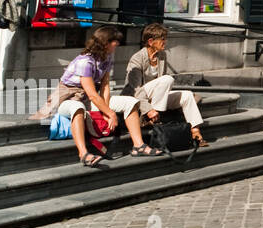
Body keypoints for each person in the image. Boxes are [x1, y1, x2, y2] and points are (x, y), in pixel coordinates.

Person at [54, 25, 155, 166]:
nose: (118, 44)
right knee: (77, 108)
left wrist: (106, 110)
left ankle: (138, 146)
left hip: (87, 98)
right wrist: (111, 114)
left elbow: (105, 86)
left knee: (130, 102)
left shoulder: (106, 58)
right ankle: (83, 154)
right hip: (68, 98)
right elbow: (92, 95)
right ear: (105, 42)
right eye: (115, 41)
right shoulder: (85, 62)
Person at [123, 22, 208, 147]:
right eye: (162, 39)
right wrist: (148, 109)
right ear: (151, 42)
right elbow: (135, 91)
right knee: (167, 79)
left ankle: (195, 132)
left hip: (156, 98)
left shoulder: (162, 56)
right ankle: (153, 118)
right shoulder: (137, 58)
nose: (165, 42)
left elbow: (161, 86)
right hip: (140, 99)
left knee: (187, 96)